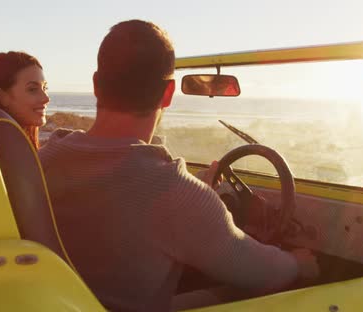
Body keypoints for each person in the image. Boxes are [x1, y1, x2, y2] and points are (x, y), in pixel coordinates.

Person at [38, 20, 318, 311]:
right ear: (169, 94)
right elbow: (262, 272)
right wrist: (296, 263)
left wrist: (199, 195)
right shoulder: (178, 194)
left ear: (96, 84)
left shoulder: (45, 160)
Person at [0, 51, 49, 148]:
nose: (46, 98)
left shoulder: (15, 147)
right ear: (1, 96)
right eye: (32, 89)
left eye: (45, 88)